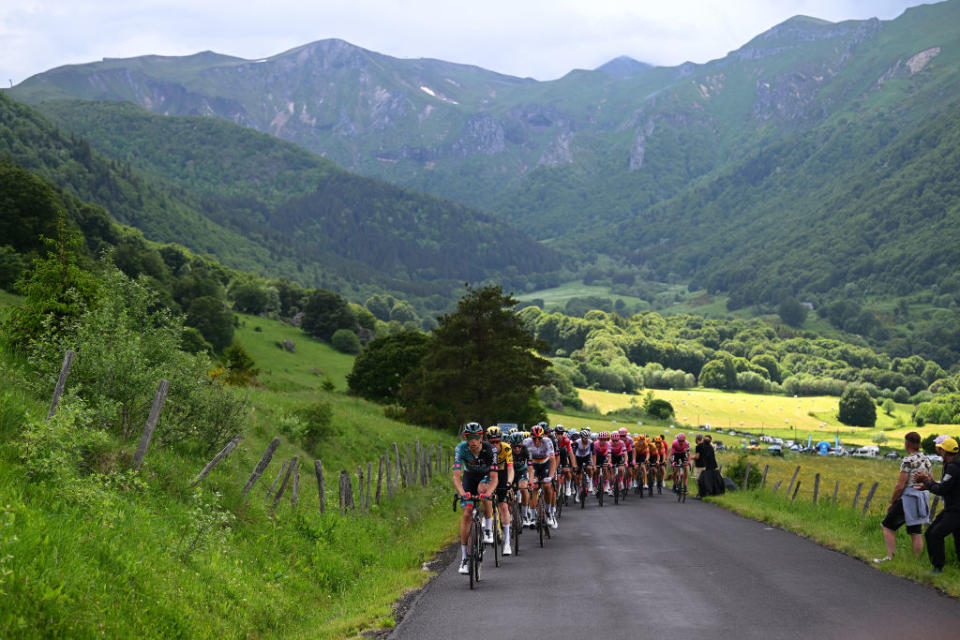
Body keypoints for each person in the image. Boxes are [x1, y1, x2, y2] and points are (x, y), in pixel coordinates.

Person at [874, 432, 931, 563]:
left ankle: (891, 558)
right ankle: (917, 562)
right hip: (922, 498)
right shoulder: (926, 459)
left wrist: (892, 502)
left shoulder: (907, 461)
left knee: (887, 526)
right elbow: (931, 479)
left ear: (907, 444)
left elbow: (900, 485)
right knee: (916, 532)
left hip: (909, 499)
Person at [452, 422, 499, 574]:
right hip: (469, 477)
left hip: (485, 477)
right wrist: (462, 493)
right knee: (467, 512)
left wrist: (489, 493)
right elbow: (456, 476)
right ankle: (465, 558)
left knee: (483, 490)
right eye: (469, 437)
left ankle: (487, 528)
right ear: (465, 438)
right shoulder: (460, 448)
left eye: (476, 437)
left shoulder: (490, 449)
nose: (472, 441)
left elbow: (495, 478)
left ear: (481, 437)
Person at [914, 437, 960, 575]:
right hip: (953, 509)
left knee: (934, 534)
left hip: (955, 511)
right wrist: (929, 482)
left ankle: (937, 569)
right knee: (958, 541)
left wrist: (927, 484)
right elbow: (945, 486)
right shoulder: (952, 464)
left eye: (940, 448)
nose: (938, 451)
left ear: (945, 451)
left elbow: (942, 489)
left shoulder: (953, 467)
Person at [485, 426, 515, 555]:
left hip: (502, 475)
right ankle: (485, 523)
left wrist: (509, 482)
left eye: (497, 441)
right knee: (484, 499)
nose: (495, 444)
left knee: (503, 507)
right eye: (492, 442)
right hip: (488, 474)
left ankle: (507, 542)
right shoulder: (483, 449)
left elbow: (510, 468)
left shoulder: (506, 448)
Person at [524, 425, 558, 529]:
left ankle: (548, 513)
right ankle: (533, 517)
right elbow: (525, 462)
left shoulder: (548, 442)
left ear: (543, 437)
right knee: (533, 487)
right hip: (532, 465)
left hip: (545, 464)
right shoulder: (526, 443)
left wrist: (551, 477)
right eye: (534, 438)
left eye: (540, 438)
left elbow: (553, 461)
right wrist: (530, 477)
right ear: (531, 437)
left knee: (547, 486)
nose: (537, 440)